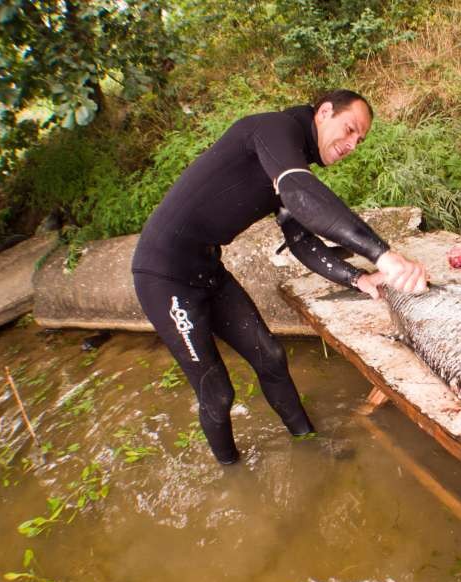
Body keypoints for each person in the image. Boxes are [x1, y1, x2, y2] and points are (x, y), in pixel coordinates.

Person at [131, 90, 427, 465]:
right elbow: (301, 190)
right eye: (350, 129)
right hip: (163, 274)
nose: (353, 144)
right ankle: (233, 476)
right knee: (217, 392)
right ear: (323, 113)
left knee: (270, 356)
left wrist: (358, 279)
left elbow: (301, 239)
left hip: (207, 270)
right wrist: (383, 255)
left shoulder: (288, 161)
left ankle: (309, 444)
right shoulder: (272, 129)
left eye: (360, 140)